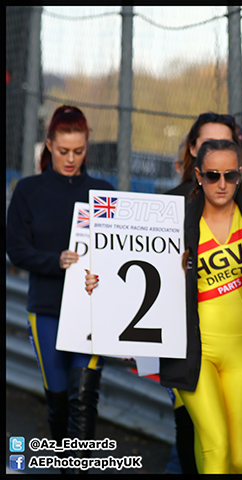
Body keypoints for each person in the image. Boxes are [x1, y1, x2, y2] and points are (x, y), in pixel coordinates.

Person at [88, 139, 242, 473]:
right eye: (213, 175)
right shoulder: (174, 223)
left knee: (241, 458)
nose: (221, 184)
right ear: (198, 176)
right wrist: (96, 283)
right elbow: (130, 266)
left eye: (230, 176)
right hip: (193, 353)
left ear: (240, 175)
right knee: (215, 448)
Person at [6, 105, 115, 467]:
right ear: (49, 144)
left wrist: (102, 272)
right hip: (48, 310)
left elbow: (118, 254)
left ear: (88, 147)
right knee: (57, 400)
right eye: (63, 151)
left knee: (84, 399)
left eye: (79, 151)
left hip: (91, 312)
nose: (71, 159)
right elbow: (17, 250)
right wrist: (56, 261)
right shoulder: (28, 190)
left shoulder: (103, 192)